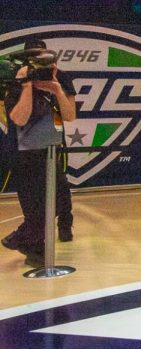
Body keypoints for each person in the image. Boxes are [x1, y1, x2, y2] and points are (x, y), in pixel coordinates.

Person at [1, 38, 77, 267]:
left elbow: (70, 115)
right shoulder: (15, 82)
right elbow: (19, 118)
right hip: (25, 154)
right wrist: (26, 86)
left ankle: (21, 239)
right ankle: (32, 248)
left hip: (52, 151)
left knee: (56, 201)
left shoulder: (60, 79)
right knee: (35, 208)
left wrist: (56, 89)